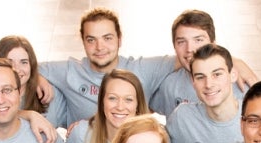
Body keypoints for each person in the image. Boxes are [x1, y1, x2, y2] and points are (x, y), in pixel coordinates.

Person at [38, 7, 176, 125]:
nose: (99, 47)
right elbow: (25, 68)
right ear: (83, 41)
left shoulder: (142, 69)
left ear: (119, 39)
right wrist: (38, 78)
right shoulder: (71, 71)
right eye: (91, 40)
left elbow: (186, 58)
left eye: (107, 38)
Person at [147, 10, 255, 117]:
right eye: (181, 42)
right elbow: (143, 108)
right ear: (174, 47)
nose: (190, 49)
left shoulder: (241, 86)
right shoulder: (169, 85)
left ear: (213, 43)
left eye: (198, 40)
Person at [66, 69, 150, 143]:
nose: (120, 107)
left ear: (137, 104)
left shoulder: (154, 138)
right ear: (102, 101)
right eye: (112, 98)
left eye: (128, 99)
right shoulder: (82, 133)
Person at [0, 35, 68, 127]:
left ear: (31, 66)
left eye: (23, 62)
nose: (17, 69)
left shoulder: (49, 94)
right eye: (9, 62)